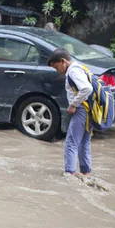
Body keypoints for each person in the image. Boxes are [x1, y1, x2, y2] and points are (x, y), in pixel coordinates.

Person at [47, 48, 94, 177]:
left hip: (81, 109)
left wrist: (73, 105)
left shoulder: (73, 71)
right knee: (84, 142)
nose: (58, 71)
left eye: (57, 68)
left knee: (70, 143)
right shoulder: (80, 67)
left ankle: (70, 175)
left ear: (63, 61)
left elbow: (87, 88)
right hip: (89, 109)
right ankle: (86, 173)